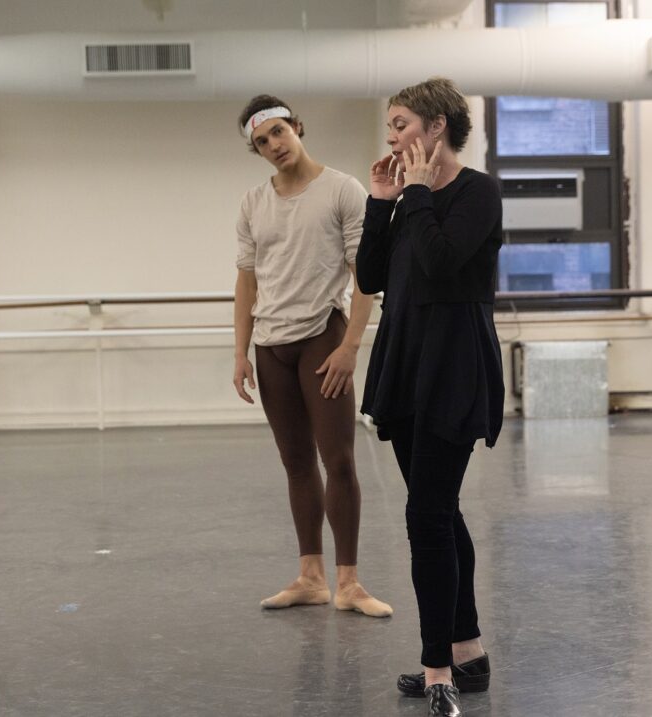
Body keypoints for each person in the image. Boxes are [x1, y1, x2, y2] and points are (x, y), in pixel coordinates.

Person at [356, 78, 504, 716]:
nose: (393, 138)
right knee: (439, 511)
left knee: (425, 517)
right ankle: (468, 652)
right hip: (406, 360)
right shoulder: (404, 200)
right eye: (389, 128)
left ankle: (437, 666)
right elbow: (368, 276)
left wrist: (414, 194)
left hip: (454, 365)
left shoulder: (479, 192)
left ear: (436, 126)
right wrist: (380, 202)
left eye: (401, 124)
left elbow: (445, 265)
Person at [233, 95, 391, 619]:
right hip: (271, 345)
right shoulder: (253, 203)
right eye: (262, 142)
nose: (274, 145)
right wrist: (240, 353)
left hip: (323, 338)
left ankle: (348, 582)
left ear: (297, 127)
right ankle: (310, 577)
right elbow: (246, 281)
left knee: (339, 460)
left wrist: (351, 347)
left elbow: (364, 273)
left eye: (278, 132)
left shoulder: (342, 189)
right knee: (296, 465)